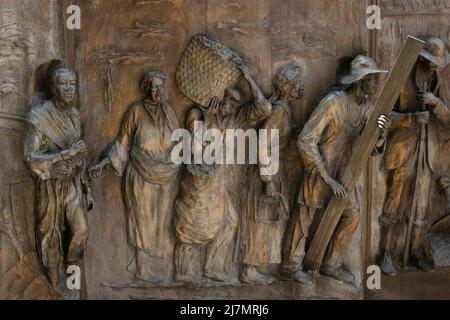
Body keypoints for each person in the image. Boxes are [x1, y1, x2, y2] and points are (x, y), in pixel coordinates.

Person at [282, 55, 391, 284]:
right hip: (320, 170)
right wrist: (325, 176)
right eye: (372, 79)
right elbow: (306, 139)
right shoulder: (333, 102)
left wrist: (380, 136)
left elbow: (370, 150)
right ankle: (291, 266)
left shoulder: (368, 109)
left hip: (345, 175)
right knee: (305, 215)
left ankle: (330, 264)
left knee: (352, 216)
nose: (376, 84)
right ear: (361, 81)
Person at [174, 61, 272, 284]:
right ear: (219, 96)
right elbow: (195, 149)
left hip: (221, 184)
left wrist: (248, 77)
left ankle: (213, 267)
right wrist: (208, 122)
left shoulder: (235, 118)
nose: (232, 106)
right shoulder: (196, 114)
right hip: (200, 183)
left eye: (236, 103)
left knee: (230, 222)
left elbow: (264, 109)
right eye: (229, 100)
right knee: (194, 227)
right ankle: (184, 273)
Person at [88, 70, 180, 282]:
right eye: (154, 87)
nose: (157, 91)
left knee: (158, 219)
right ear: (146, 88)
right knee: (142, 220)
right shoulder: (136, 111)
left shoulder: (168, 112)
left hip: (164, 175)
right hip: (140, 175)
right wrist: (104, 163)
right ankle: (142, 269)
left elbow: (179, 142)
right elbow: (122, 143)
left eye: (160, 87)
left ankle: (146, 265)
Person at [380, 37, 450, 275]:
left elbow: (448, 120)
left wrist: (437, 103)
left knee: (421, 208)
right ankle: (386, 254)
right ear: (421, 57)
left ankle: (415, 252)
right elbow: (381, 118)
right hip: (404, 152)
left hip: (428, 154)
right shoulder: (402, 79)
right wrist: (409, 118)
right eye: (431, 61)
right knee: (395, 205)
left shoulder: (439, 82)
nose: (434, 66)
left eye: (437, 63)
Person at [24, 67, 94, 288]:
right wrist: (63, 156)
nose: (69, 88)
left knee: (81, 230)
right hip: (50, 185)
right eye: (63, 84)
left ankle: (71, 266)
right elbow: (30, 157)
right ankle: (53, 285)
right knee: (49, 234)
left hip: (72, 184)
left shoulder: (74, 115)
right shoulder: (38, 116)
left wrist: (86, 188)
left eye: (72, 84)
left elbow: (79, 156)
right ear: (53, 88)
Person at [240, 64, 304, 284]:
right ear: (287, 87)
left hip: (274, 171)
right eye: (297, 83)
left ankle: (257, 267)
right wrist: (267, 178)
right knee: (259, 221)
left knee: (267, 220)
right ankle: (249, 270)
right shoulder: (279, 110)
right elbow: (263, 142)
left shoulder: (283, 108)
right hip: (265, 174)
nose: (301, 86)